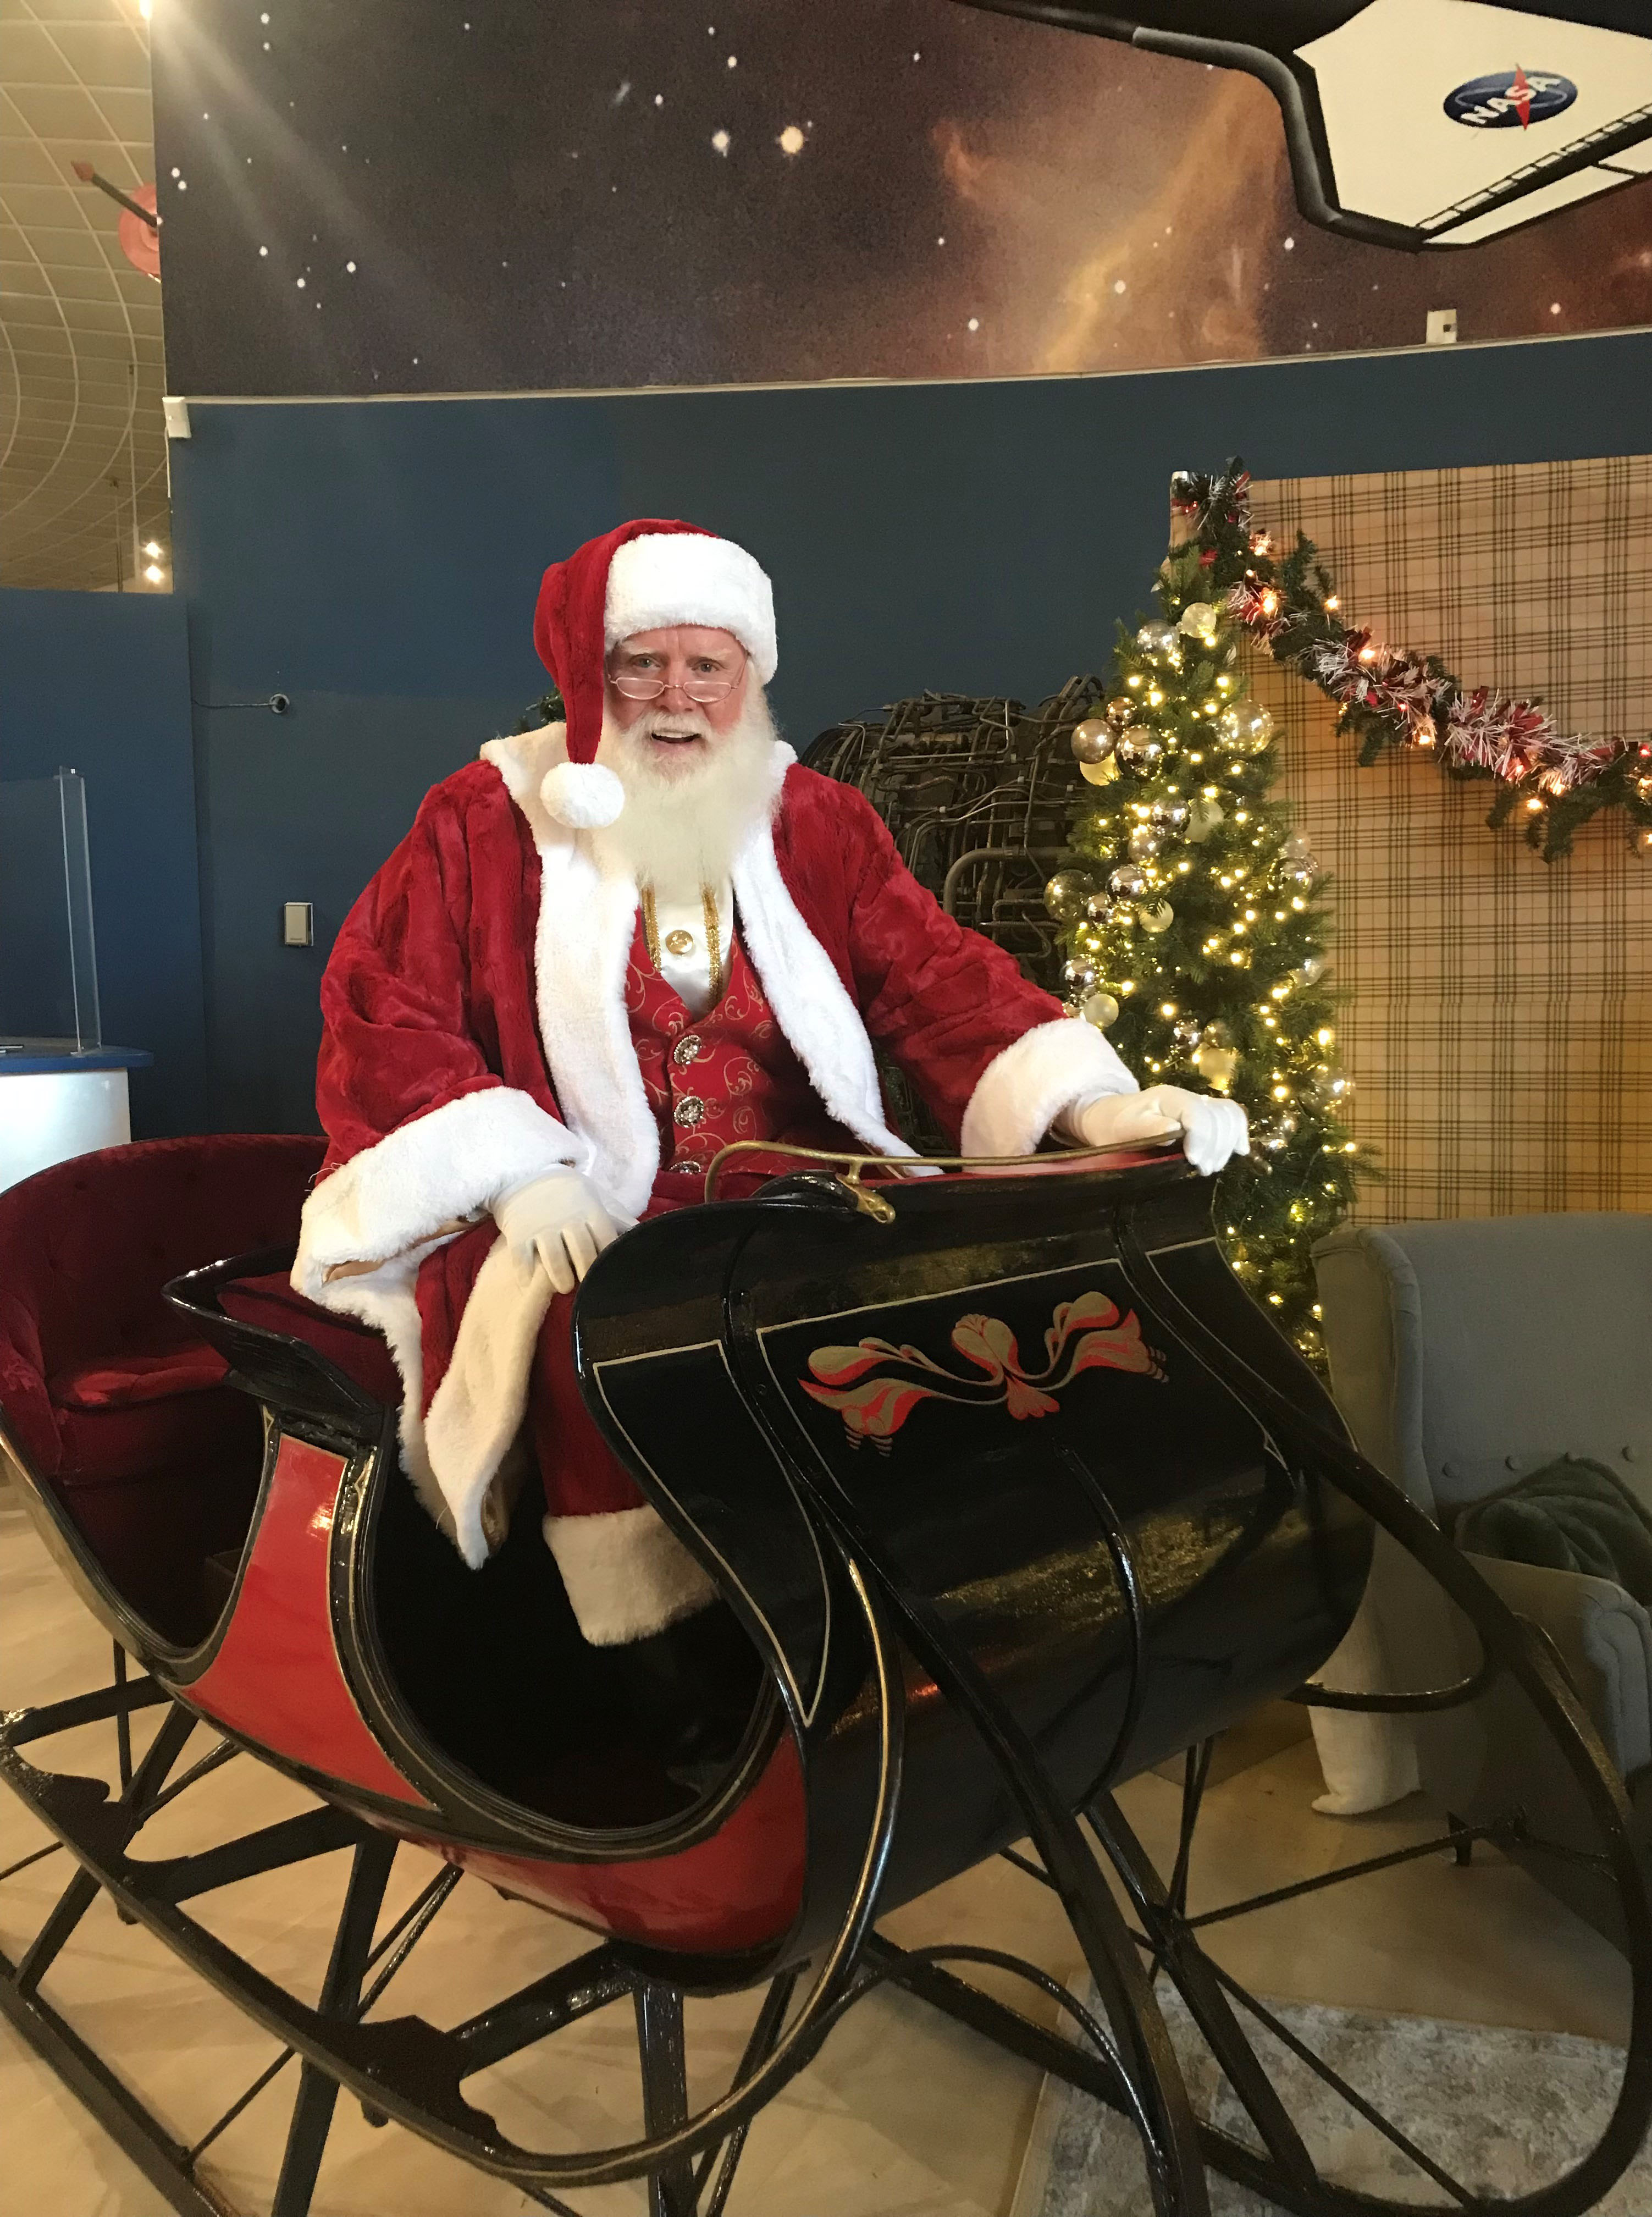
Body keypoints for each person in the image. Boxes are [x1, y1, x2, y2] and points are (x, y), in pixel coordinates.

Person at [294, 519, 1247, 1647]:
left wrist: (1090, 1105)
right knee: (601, 1334)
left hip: (798, 1195)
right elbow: (382, 1010)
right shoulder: (483, 818)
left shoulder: (818, 823)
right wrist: (519, 1174)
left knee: (953, 1292)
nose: (678, 698)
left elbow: (937, 980)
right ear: (591, 674)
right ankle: (658, 1642)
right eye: (643, 664)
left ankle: (935, 1582)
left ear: (751, 676)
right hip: (588, 1206)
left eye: (709, 665)